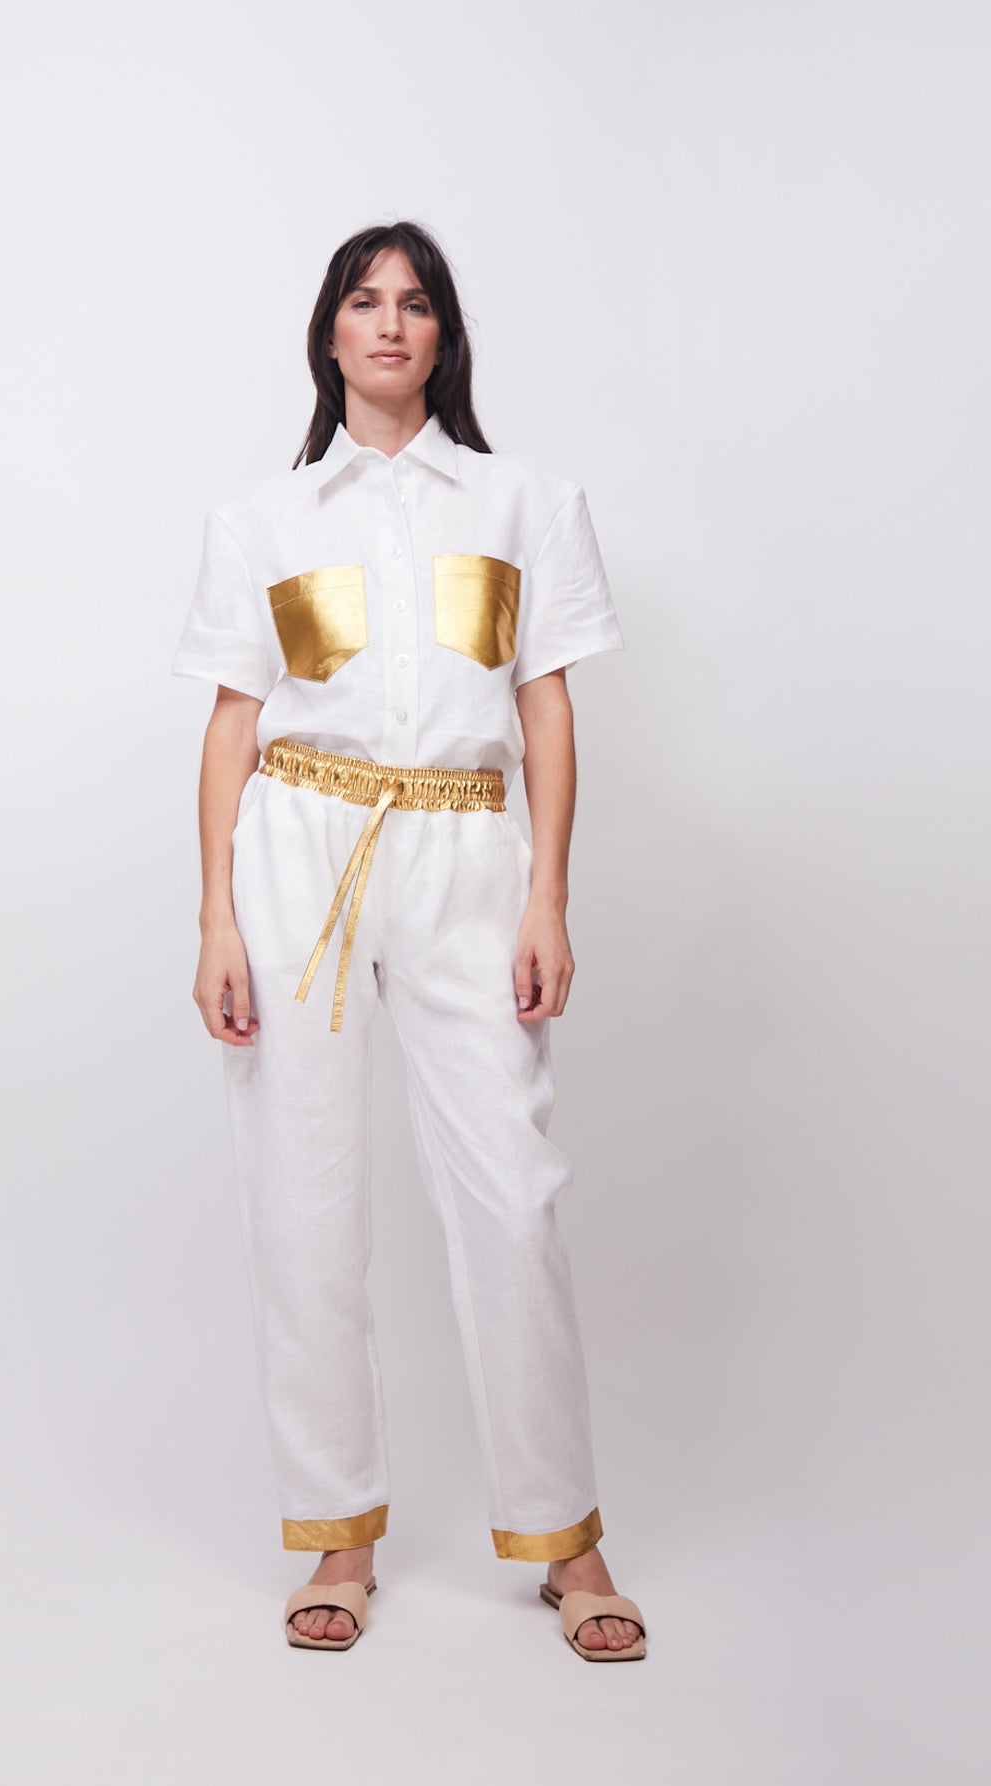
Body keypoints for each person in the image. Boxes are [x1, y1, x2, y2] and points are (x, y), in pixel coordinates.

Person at [170, 220, 648, 1662]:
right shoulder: (262, 520)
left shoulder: (526, 502)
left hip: (466, 855)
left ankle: (567, 1541)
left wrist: (548, 896)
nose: (390, 323)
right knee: (301, 1191)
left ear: (445, 336)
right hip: (297, 854)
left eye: (416, 302)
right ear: (329, 332)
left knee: (513, 1192)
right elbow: (235, 721)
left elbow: (546, 707)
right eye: (365, 301)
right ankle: (338, 1535)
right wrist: (215, 917)